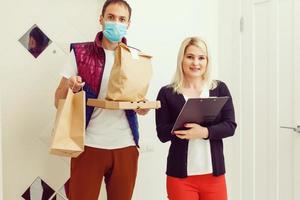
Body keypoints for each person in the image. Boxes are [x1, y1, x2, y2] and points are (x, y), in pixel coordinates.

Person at [54, 1, 149, 199]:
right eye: (111, 17)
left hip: (126, 146)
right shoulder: (79, 53)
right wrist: (71, 87)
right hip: (88, 145)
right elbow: (58, 100)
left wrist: (142, 107)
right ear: (101, 19)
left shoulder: (136, 57)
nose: (116, 23)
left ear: (129, 24)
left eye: (122, 19)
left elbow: (137, 100)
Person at [155, 37, 237, 200]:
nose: (196, 63)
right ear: (182, 59)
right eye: (190, 57)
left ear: (207, 61)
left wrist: (204, 132)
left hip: (214, 176)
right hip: (180, 178)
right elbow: (162, 134)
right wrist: (184, 127)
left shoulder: (219, 88)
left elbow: (230, 126)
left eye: (201, 58)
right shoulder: (167, 92)